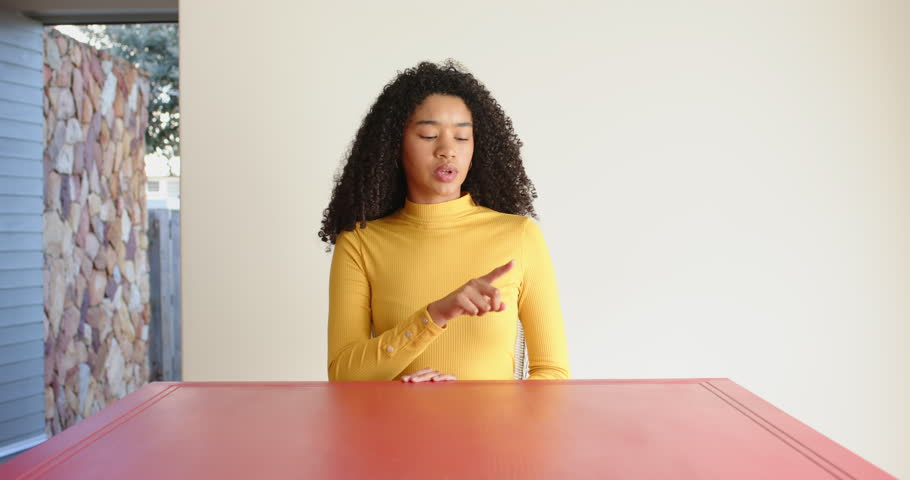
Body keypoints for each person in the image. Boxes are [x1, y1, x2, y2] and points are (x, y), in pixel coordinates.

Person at [319, 60, 569, 382]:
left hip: (496, 433)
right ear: (395, 146)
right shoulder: (360, 243)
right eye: (428, 135)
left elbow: (553, 372)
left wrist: (493, 413)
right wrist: (435, 315)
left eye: (462, 138)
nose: (447, 150)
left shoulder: (519, 235)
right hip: (397, 431)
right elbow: (343, 375)